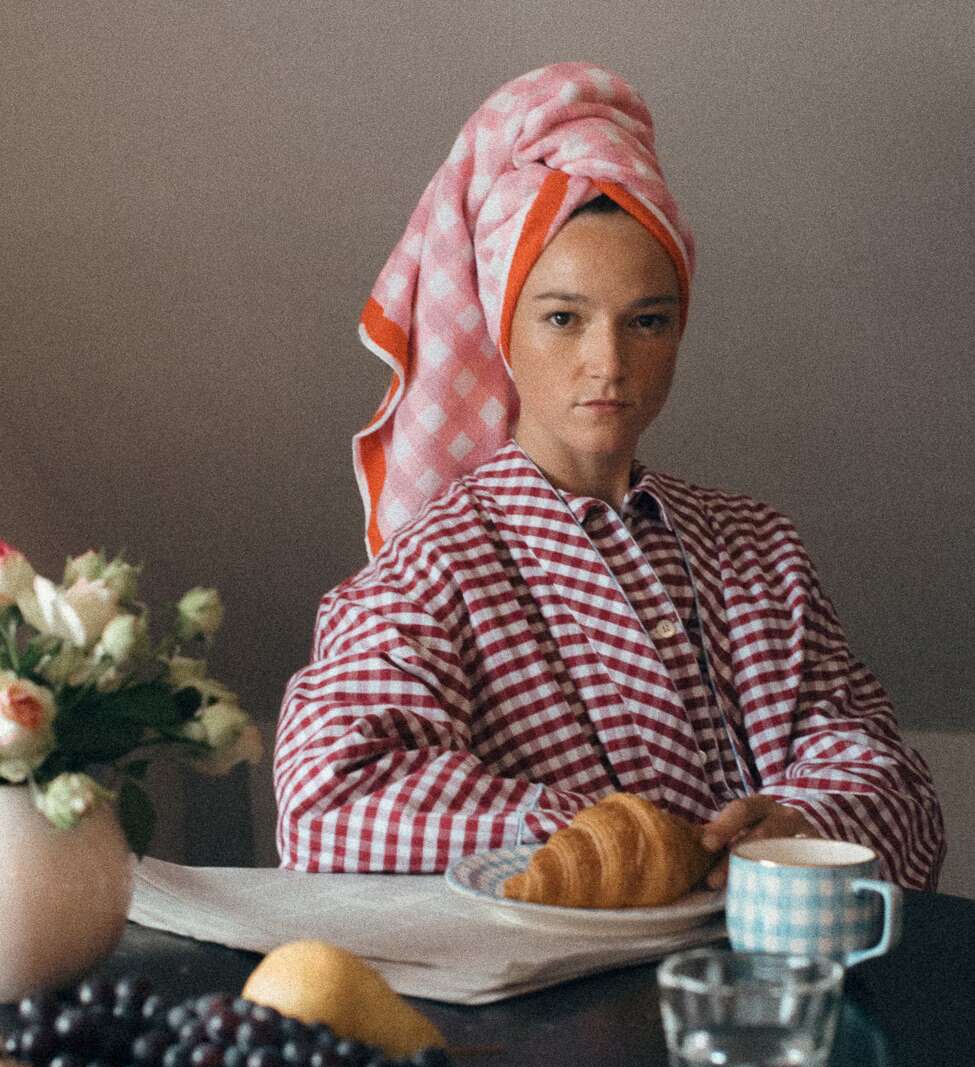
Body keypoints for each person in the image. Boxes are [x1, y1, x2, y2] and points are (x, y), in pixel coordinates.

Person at [274, 63, 944, 890]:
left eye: (648, 321)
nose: (609, 363)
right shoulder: (426, 574)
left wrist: (805, 820)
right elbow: (327, 803)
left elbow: (900, 791)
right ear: (498, 326)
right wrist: (614, 836)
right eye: (562, 317)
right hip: (551, 1016)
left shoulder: (759, 550)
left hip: (765, 1006)